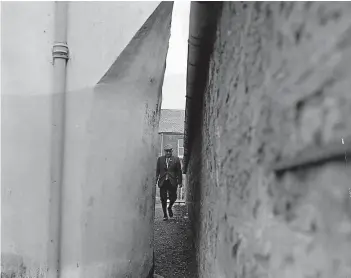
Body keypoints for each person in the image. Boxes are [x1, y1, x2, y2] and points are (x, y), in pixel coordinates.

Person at [156, 144, 183, 221]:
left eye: (169, 151)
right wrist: (155, 179)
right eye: (166, 151)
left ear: (172, 151)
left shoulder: (176, 159)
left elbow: (179, 172)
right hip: (163, 181)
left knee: (173, 197)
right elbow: (157, 171)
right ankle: (165, 214)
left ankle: (170, 207)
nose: (168, 153)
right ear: (164, 151)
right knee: (163, 198)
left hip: (172, 181)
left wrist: (180, 182)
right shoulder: (160, 159)